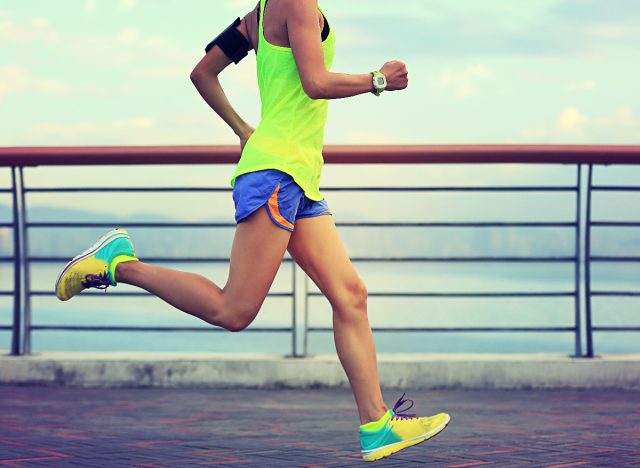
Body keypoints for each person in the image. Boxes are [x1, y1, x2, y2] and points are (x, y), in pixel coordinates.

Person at [54, 0, 450, 461]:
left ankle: (377, 425)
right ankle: (119, 264)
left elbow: (203, 72)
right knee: (234, 310)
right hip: (277, 176)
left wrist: (245, 129)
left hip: (297, 177)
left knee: (350, 296)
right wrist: (378, 80)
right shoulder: (296, 3)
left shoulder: (259, 14)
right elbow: (316, 83)